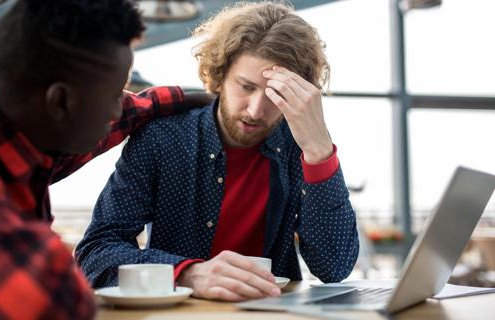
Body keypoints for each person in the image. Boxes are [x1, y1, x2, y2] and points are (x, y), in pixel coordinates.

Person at [76, 1, 359, 302]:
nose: (256, 110)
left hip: (271, 312)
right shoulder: (162, 138)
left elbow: (334, 267)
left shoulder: (299, 148)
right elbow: (96, 252)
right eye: (246, 87)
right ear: (220, 75)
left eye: (276, 94)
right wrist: (186, 273)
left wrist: (319, 151)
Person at [0, 0, 210, 319]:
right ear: (59, 102)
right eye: (114, 95)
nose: (116, 110)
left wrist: (195, 100)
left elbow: (129, 113)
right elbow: (46, 299)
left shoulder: (26, 141)